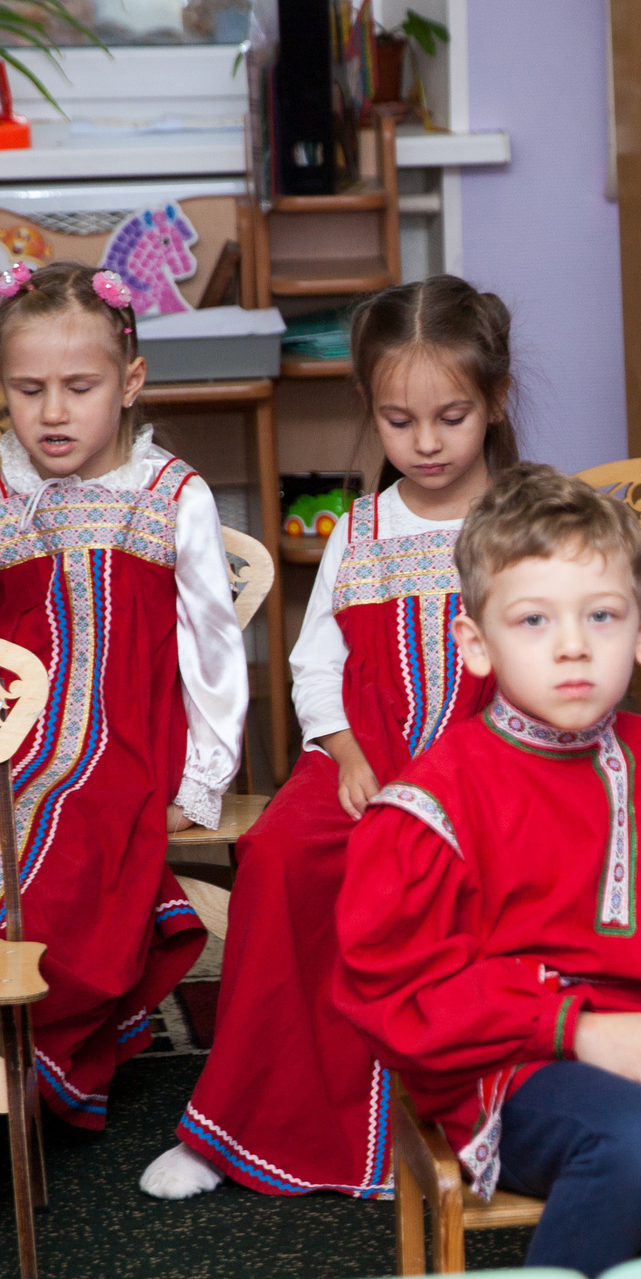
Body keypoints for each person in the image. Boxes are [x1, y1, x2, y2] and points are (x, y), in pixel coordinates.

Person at [332, 465, 641, 1276]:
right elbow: (404, 988)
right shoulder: (432, 803)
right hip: (512, 1067)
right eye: (533, 620)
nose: (572, 645)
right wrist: (578, 1029)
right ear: (476, 644)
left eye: (601, 616)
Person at [144, 276, 514, 1201]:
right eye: (398, 421)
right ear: (370, 412)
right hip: (368, 753)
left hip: (496, 759)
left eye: (451, 416)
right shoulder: (360, 529)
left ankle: (476, 1124)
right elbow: (316, 663)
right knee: (277, 856)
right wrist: (344, 751)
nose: (425, 444)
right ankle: (240, 1122)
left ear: (495, 402)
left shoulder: (524, 519)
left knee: (470, 876)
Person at [0, 261, 248, 1130]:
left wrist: (203, 778)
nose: (54, 412)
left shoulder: (172, 496)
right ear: (2, 387)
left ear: (131, 382)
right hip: (6, 738)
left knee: (69, 824)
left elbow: (213, 643)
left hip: (127, 734)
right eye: (29, 389)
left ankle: (43, 1042)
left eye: (79, 386)